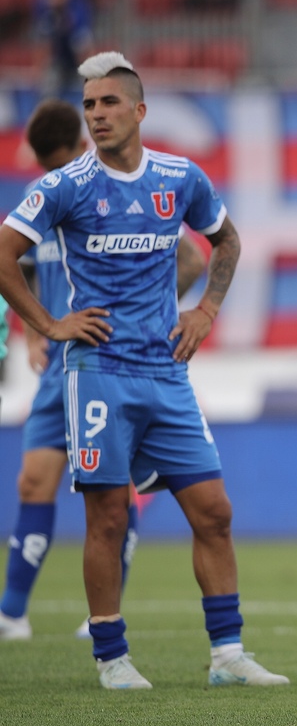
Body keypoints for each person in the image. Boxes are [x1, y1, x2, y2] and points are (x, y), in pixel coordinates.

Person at [0, 51, 288, 690]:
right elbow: (4, 251)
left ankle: (228, 656)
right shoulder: (65, 186)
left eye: (108, 103)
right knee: (106, 514)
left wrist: (206, 308)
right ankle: (111, 655)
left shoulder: (180, 177)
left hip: (166, 372)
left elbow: (227, 239)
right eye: (89, 106)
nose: (97, 115)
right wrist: (47, 325)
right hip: (98, 369)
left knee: (213, 509)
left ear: (139, 110)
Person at [0, 98, 206, 642]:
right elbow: (23, 269)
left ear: (77, 147)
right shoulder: (46, 195)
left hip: (111, 363)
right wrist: (37, 331)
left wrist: (147, 315)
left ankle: (103, 619)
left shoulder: (112, 189)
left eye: (56, 160)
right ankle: (11, 613)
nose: (50, 173)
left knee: (114, 492)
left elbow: (189, 259)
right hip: (56, 372)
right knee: (32, 480)